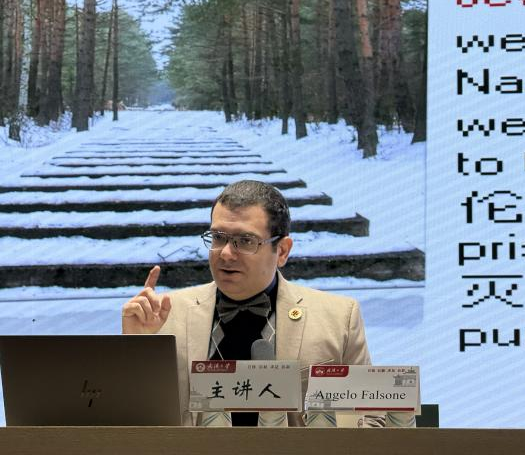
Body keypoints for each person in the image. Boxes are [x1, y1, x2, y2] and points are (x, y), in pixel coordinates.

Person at [122, 180, 372, 427]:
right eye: (218, 237)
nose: (226, 253)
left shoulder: (338, 317)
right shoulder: (163, 316)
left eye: (245, 241)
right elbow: (131, 423)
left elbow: (371, 422)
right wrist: (136, 347)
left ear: (282, 251)